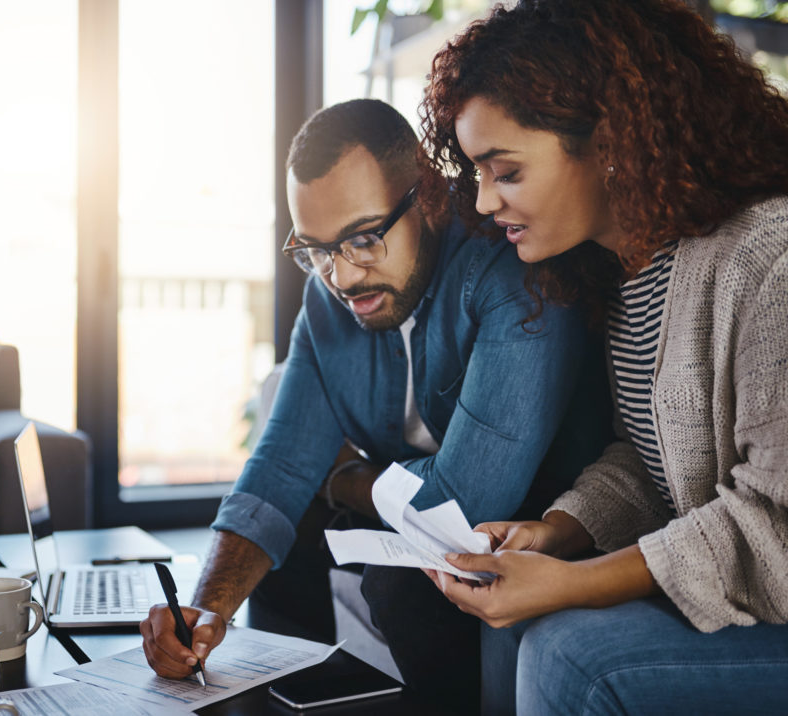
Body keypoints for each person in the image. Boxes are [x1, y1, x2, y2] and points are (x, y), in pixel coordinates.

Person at [139, 98, 612, 706]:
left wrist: (345, 479)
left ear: (431, 197)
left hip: (527, 533)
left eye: (363, 238)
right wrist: (203, 608)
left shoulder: (509, 273)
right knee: (286, 532)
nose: (341, 277)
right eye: (315, 249)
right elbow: (281, 468)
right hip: (412, 521)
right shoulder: (326, 297)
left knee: (400, 584)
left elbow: (465, 502)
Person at [414, 0, 788, 713]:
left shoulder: (770, 260)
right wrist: (556, 533)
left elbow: (777, 525)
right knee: (514, 622)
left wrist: (579, 582)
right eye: (477, 173)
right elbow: (659, 467)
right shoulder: (631, 275)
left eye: (507, 172)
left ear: (610, 144)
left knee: (571, 656)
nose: (485, 202)